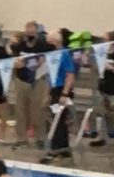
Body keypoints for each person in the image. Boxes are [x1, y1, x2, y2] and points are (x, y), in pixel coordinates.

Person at [11, 21, 53, 147]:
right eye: (28, 30)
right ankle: (21, 138)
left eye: (32, 30)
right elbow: (12, 55)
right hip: (21, 78)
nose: (30, 32)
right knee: (20, 109)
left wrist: (41, 61)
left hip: (38, 79)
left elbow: (50, 54)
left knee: (38, 109)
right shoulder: (20, 44)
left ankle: (40, 137)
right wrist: (16, 62)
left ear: (36, 31)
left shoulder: (43, 44)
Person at [41, 30, 78, 163]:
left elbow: (70, 74)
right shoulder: (50, 55)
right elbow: (49, 77)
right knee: (53, 122)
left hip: (61, 90)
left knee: (60, 122)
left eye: (50, 40)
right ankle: (57, 149)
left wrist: (65, 93)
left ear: (57, 41)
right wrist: (46, 94)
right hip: (54, 91)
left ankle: (61, 150)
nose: (48, 43)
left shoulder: (64, 54)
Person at [91, 31, 114, 150]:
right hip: (103, 88)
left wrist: (111, 68)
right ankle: (101, 136)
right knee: (100, 113)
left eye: (104, 39)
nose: (102, 42)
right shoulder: (101, 54)